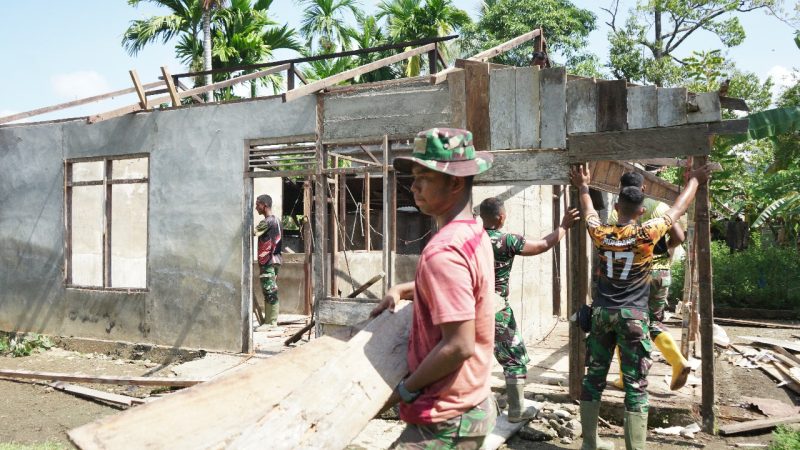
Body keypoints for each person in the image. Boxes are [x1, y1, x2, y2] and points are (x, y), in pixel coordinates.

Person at [371, 128, 497, 450]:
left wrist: (406, 389)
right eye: (414, 178)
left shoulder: (443, 252)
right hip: (473, 401)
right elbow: (461, 287)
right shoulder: (474, 233)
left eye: (424, 177)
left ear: (455, 183)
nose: (413, 187)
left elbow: (459, 345)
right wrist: (403, 289)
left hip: (446, 418)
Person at [570, 163, 712, 450]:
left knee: (593, 379)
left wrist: (583, 186)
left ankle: (589, 444)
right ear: (641, 211)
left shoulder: (601, 233)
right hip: (633, 317)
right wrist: (695, 181)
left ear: (617, 206)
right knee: (636, 386)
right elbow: (678, 209)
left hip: (602, 314)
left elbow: (589, 212)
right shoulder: (647, 234)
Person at [478, 196, 580, 422]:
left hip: (468, 309)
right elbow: (542, 245)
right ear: (501, 218)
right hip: (495, 310)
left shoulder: (470, 240)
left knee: (473, 357)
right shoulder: (507, 241)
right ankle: (516, 410)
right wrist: (564, 226)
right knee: (514, 358)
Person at [608, 172, 691, 392]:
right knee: (654, 321)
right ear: (643, 188)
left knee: (625, 323)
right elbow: (679, 237)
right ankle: (677, 360)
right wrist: (661, 251)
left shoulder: (617, 212)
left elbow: (613, 246)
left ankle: (625, 377)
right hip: (660, 273)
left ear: (620, 189)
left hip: (633, 275)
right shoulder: (659, 207)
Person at [255, 194, 282, 327]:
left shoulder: (267, 221)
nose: (256, 208)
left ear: (264, 205)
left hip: (268, 261)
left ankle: (271, 322)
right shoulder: (277, 220)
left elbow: (253, 232)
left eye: (257, 204)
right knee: (271, 289)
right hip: (276, 259)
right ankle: (270, 320)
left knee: (269, 290)